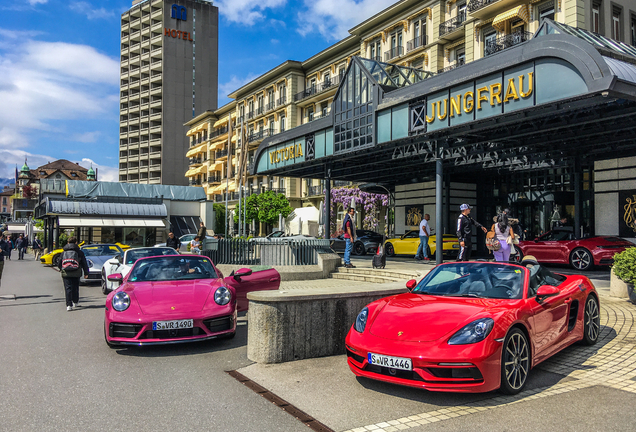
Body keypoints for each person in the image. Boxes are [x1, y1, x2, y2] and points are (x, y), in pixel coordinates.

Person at [57, 236, 90, 312]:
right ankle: (75, 302)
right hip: (76, 272)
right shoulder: (79, 252)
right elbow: (84, 263)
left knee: (68, 288)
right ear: (76, 242)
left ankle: (69, 305)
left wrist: (61, 269)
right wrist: (86, 273)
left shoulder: (63, 252)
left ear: (68, 242)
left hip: (66, 273)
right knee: (75, 287)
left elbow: (59, 263)